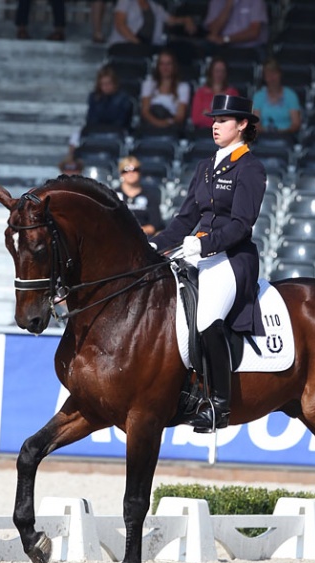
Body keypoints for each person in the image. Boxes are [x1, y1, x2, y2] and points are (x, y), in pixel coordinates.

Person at [150, 94, 266, 433]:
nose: (215, 125)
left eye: (223, 120)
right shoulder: (205, 166)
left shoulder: (250, 167)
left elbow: (241, 225)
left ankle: (219, 405)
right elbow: (184, 218)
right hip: (195, 252)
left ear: (242, 125)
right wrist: (155, 244)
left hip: (230, 259)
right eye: (214, 119)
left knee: (207, 318)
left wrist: (203, 244)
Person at [67, 65, 133, 161]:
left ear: (114, 83)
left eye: (108, 83)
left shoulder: (124, 99)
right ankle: (72, 164)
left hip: (117, 131)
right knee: (75, 137)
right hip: (96, 129)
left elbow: (122, 121)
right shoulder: (94, 97)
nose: (106, 87)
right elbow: (91, 119)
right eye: (103, 84)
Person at [139, 49, 190, 135]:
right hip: (151, 123)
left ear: (174, 66)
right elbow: (145, 111)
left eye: (168, 64)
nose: (165, 67)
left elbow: (180, 116)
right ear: (158, 66)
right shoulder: (148, 83)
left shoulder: (183, 87)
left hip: (170, 124)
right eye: (162, 64)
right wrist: (158, 123)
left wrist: (166, 123)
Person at [108, 0, 197, 48]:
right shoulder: (126, 1)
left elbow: (171, 20)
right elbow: (120, 24)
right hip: (126, 43)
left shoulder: (154, 6)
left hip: (148, 44)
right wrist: (137, 43)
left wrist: (186, 19)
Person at [116, 155, 164, 235]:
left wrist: (133, 232)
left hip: (143, 238)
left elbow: (155, 224)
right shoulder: (112, 195)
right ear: (121, 174)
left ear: (140, 172)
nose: (131, 173)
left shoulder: (150, 195)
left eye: (135, 170)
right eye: (126, 170)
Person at [253, 59, 302, 136]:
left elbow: (296, 124)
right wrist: (266, 132)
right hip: (264, 137)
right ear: (264, 78)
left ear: (280, 74)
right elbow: (256, 124)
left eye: (274, 73)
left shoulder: (291, 95)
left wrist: (281, 133)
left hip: (286, 137)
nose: (272, 78)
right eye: (268, 75)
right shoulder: (258, 96)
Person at [191, 57, 239, 130]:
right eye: (217, 71)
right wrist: (222, 117)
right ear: (211, 72)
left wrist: (208, 114)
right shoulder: (201, 93)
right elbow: (196, 119)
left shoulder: (232, 93)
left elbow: (234, 120)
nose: (220, 74)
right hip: (204, 133)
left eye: (222, 71)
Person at [203, 0, 268, 53]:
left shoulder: (256, 1)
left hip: (251, 48)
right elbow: (213, 32)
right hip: (223, 48)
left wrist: (226, 39)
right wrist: (228, 6)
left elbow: (254, 32)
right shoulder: (216, 2)